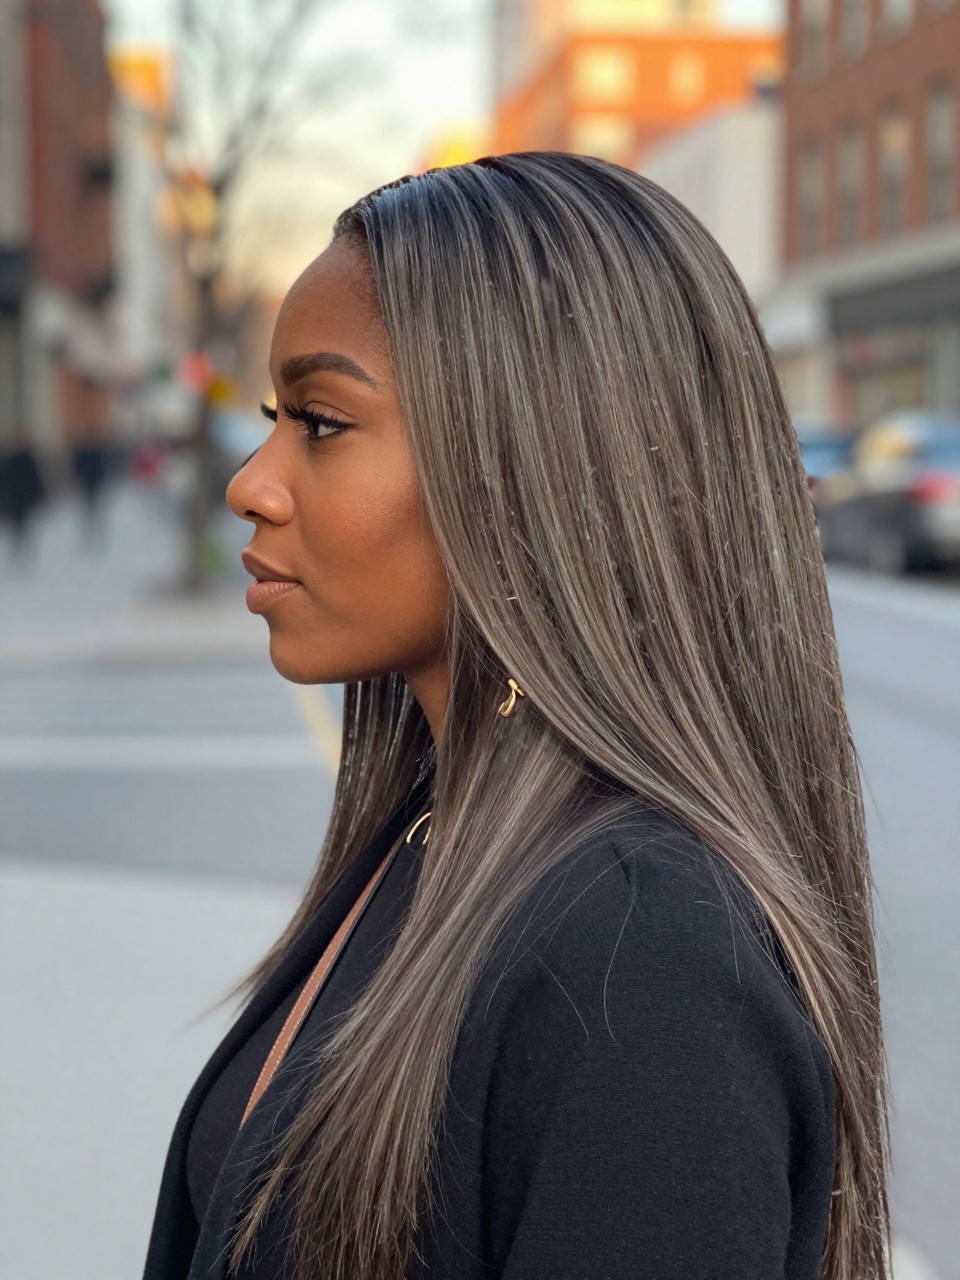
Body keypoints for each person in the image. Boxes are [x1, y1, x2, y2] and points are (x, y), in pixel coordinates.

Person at [142, 153, 889, 1280]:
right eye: (271, 417)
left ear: (532, 459)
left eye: (322, 421)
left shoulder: (642, 963)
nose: (254, 480)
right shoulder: (450, 822)